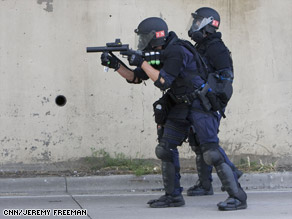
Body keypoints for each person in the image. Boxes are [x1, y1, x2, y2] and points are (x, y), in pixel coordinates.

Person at [99, 16, 247, 210]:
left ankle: (238, 197)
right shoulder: (160, 53)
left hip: (200, 104)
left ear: (155, 36)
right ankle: (173, 196)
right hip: (180, 104)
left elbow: (163, 82)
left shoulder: (177, 50)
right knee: (165, 148)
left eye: (144, 37)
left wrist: (141, 62)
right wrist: (116, 65)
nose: (142, 42)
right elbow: (136, 77)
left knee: (210, 152)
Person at [186, 7, 247, 210]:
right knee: (199, 143)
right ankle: (205, 185)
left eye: (197, 22)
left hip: (208, 104)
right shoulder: (202, 46)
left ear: (208, 24)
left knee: (210, 149)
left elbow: (226, 78)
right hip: (199, 103)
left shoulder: (216, 47)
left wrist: (212, 100)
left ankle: (236, 193)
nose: (193, 25)